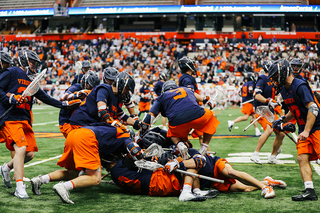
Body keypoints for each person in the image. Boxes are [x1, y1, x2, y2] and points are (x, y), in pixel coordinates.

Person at [0, 50, 65, 199]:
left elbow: (46, 98)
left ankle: (6, 168)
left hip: (24, 119)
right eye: (32, 62)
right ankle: (19, 187)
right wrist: (11, 98)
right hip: (11, 118)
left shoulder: (31, 80)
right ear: (23, 60)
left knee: (29, 154)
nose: (34, 65)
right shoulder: (12, 72)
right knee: (21, 148)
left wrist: (65, 105)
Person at [30, 123, 144, 204]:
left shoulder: (111, 130)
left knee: (72, 173)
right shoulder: (125, 136)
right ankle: (64, 186)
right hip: (87, 138)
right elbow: (133, 148)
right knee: (95, 178)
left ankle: (40, 180)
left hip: (75, 134)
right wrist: (141, 157)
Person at [269, 58, 320, 201]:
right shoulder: (285, 89)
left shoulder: (299, 85)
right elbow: (294, 109)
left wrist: (307, 131)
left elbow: (313, 108)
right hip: (305, 127)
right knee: (302, 157)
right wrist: (283, 119)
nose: (273, 80)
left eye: (274, 77)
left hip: (316, 126)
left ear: (283, 73)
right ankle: (309, 190)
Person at [140, 80, 219, 157]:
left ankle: (179, 144)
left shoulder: (163, 96)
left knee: (171, 133)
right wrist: (210, 101)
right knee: (213, 117)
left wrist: (143, 129)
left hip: (177, 121)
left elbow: (151, 115)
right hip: (196, 114)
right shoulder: (185, 89)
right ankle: (204, 146)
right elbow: (205, 99)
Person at [184, 149, 286, 198]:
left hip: (215, 164)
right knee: (246, 188)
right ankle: (267, 182)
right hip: (210, 181)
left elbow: (196, 163)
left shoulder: (188, 150)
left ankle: (266, 188)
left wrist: (178, 162)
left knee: (231, 172)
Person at [69, 72, 139, 131]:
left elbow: (121, 116)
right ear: (120, 85)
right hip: (81, 123)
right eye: (127, 90)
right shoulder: (103, 89)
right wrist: (121, 127)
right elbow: (103, 113)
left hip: (91, 124)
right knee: (119, 133)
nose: (127, 93)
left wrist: (137, 123)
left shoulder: (115, 97)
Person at [250, 60, 285, 165]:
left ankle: (273, 157)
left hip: (270, 110)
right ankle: (255, 154)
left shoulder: (273, 80)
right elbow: (257, 95)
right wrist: (268, 100)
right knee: (269, 130)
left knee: (281, 133)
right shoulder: (263, 78)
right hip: (262, 109)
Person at [178, 56, 214, 153]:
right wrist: (205, 99)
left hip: (188, 109)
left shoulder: (186, 77)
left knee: (197, 135)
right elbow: (189, 92)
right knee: (208, 126)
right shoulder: (187, 78)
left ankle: (204, 155)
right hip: (188, 110)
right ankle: (206, 156)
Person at [59, 70, 100, 138]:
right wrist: (78, 95)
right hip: (67, 121)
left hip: (81, 122)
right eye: (90, 87)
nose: (92, 90)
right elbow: (62, 97)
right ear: (85, 83)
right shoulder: (76, 87)